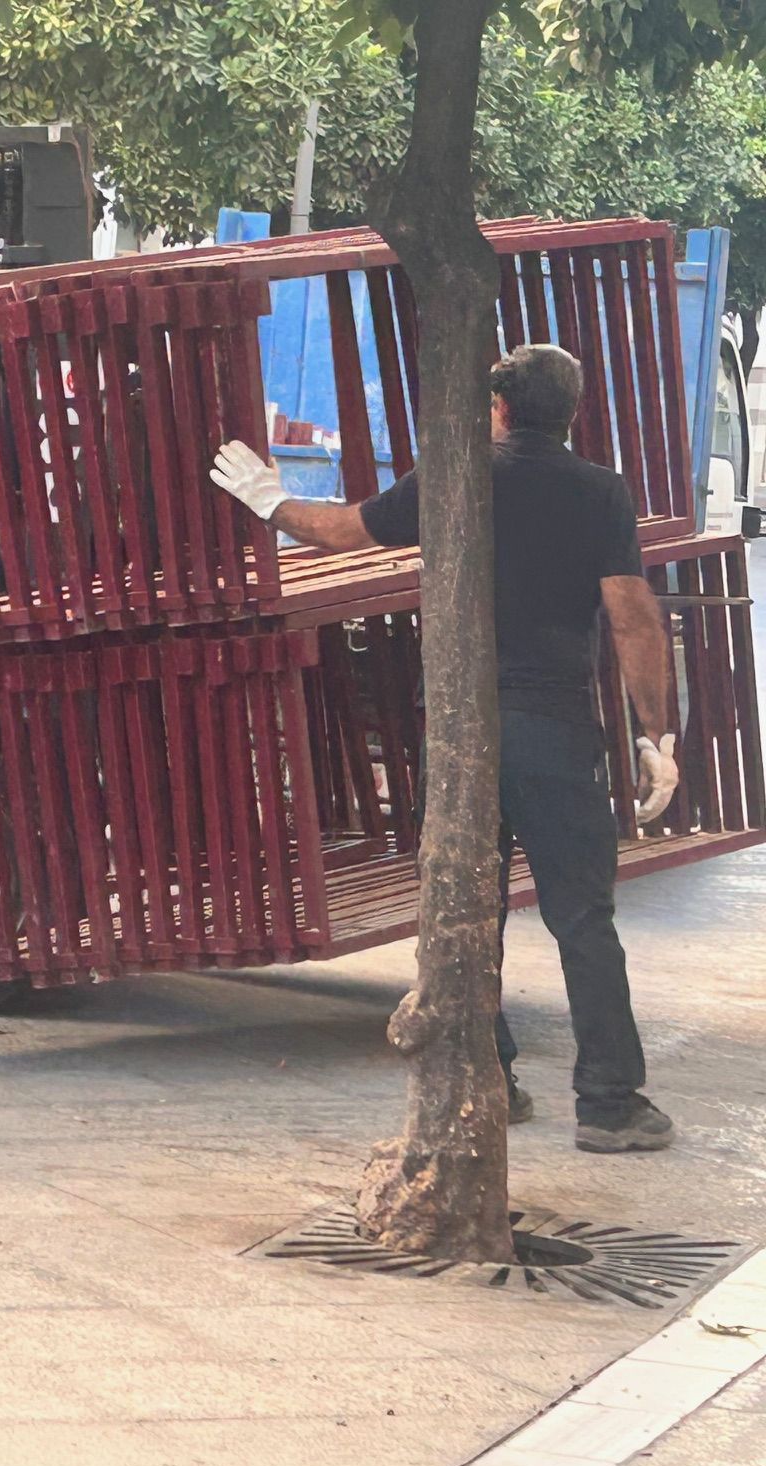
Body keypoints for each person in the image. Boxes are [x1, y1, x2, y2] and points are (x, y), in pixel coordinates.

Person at [211, 343, 679, 1154]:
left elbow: (340, 531)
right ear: (570, 412)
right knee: (582, 918)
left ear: (497, 405)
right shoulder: (600, 493)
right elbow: (633, 616)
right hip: (552, 729)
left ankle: (486, 1077)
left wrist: (268, 499)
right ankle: (609, 1103)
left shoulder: (455, 477)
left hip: (459, 729)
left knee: (470, 910)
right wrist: (657, 735)